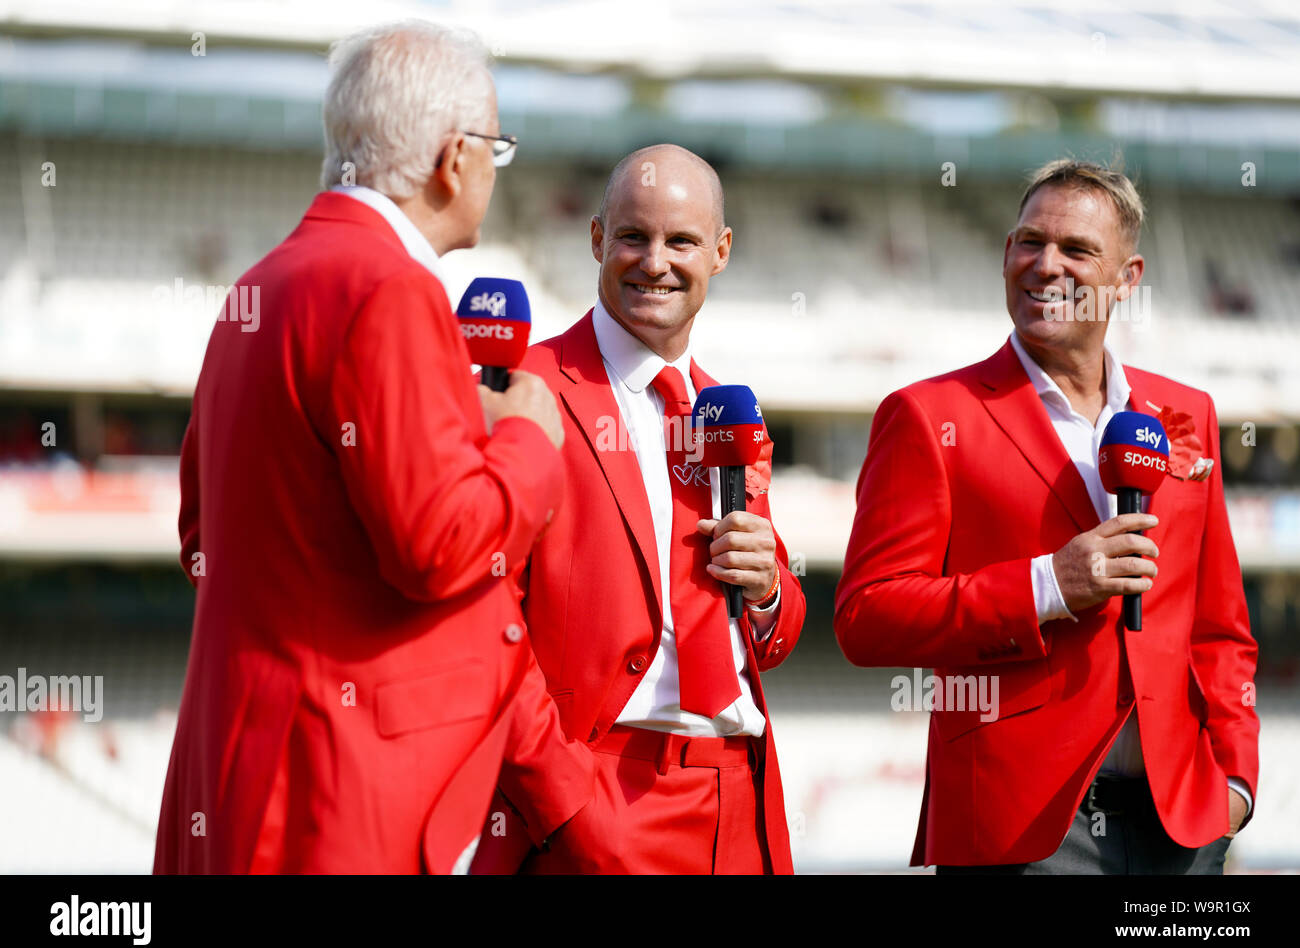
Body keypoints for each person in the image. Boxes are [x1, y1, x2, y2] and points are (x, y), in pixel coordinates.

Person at [154, 20, 574, 874]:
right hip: (332, 791)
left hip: (233, 774)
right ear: (454, 158)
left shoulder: (262, 282)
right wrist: (531, 437)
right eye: (498, 147)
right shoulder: (389, 287)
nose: (496, 168)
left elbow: (201, 537)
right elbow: (438, 544)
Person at [834, 159, 1259, 873]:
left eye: (1077, 250)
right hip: (1022, 826)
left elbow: (1218, 625)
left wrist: (1236, 783)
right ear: (1006, 254)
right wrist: (1048, 585)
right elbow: (866, 616)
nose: (1045, 264)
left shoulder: (1189, 414)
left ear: (1127, 277)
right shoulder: (929, 416)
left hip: (1183, 822)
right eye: (1030, 242)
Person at [470, 144, 807, 874]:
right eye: (634, 236)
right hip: (596, 796)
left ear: (719, 252)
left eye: (681, 240)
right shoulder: (524, 390)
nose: (656, 261)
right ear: (597, 239)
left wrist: (770, 591)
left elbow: (773, 637)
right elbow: (482, 622)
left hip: (740, 797)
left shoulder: (732, 413)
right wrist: (567, 803)